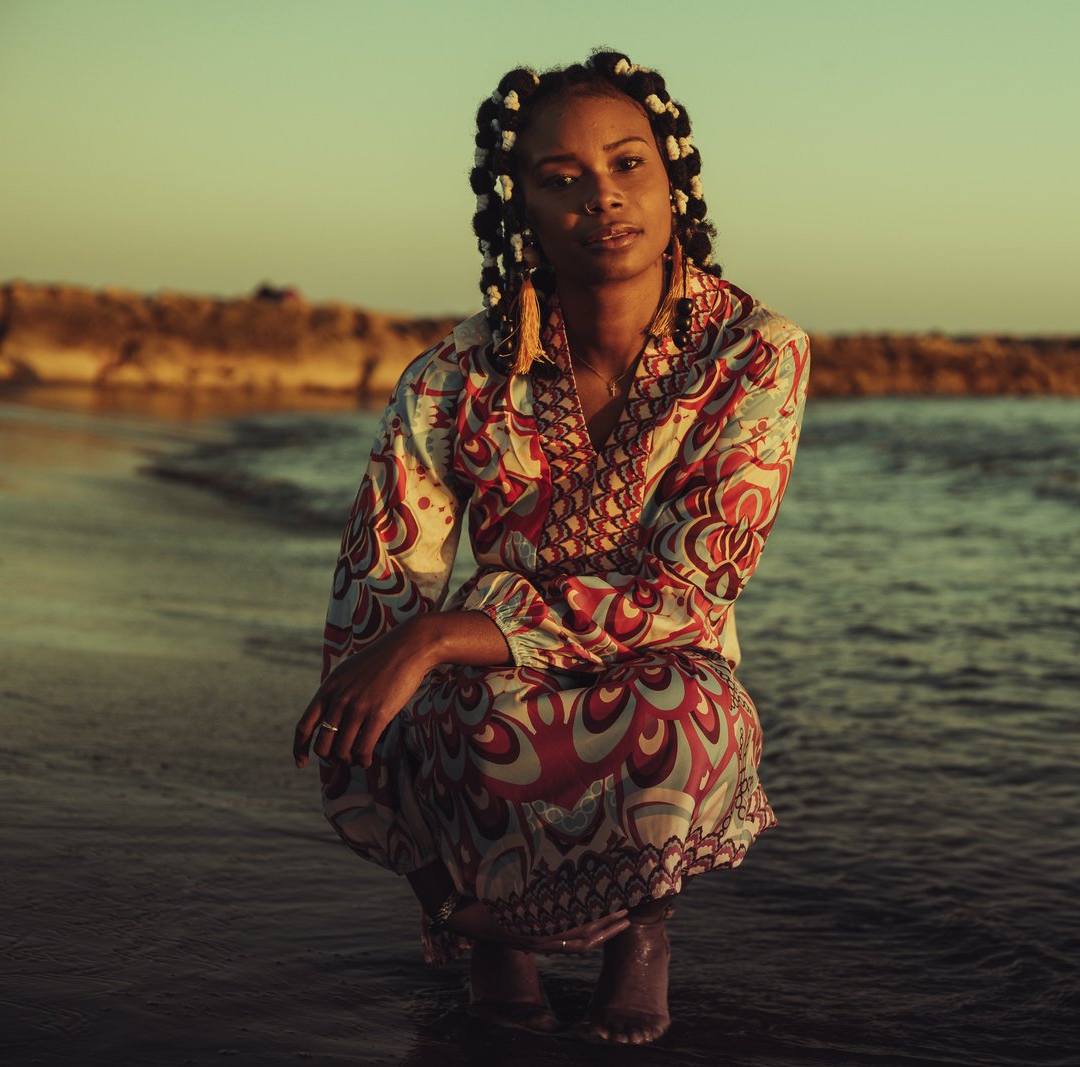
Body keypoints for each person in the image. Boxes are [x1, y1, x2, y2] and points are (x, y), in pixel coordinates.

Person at [290, 51, 807, 1046]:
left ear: (672, 180)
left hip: (659, 668)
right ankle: (494, 932)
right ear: (518, 205)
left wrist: (441, 635)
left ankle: (642, 931)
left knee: (685, 711)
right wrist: (433, 885)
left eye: (627, 165)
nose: (601, 197)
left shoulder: (753, 351)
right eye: (560, 178)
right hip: (495, 688)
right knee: (431, 695)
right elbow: (377, 591)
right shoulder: (451, 377)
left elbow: (687, 589)